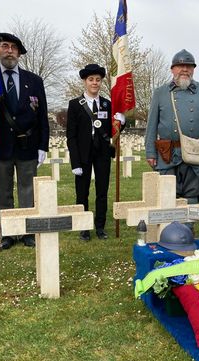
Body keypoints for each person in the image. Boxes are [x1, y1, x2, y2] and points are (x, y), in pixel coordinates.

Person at [0, 32, 50, 250]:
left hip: (27, 145)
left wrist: (43, 145)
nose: (9, 50)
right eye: (5, 46)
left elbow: (42, 115)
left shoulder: (34, 81)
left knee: (28, 192)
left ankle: (27, 231)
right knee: (4, 193)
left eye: (13, 48)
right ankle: (8, 233)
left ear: (19, 53)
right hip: (1, 146)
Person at [145, 49, 199, 205]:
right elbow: (151, 124)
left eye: (189, 66)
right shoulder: (160, 93)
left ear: (193, 69)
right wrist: (150, 153)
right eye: (180, 66)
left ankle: (188, 227)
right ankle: (169, 228)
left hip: (195, 151)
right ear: (172, 69)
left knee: (192, 192)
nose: (185, 69)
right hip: (167, 152)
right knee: (167, 194)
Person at [66, 64, 125, 240]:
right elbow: (71, 136)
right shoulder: (75, 104)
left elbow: (114, 129)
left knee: (102, 191)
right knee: (82, 192)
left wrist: (122, 121)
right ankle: (83, 227)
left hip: (102, 153)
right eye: (91, 79)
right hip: (83, 154)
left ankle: (100, 226)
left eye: (98, 80)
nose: (95, 83)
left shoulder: (108, 104)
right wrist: (75, 162)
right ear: (85, 81)